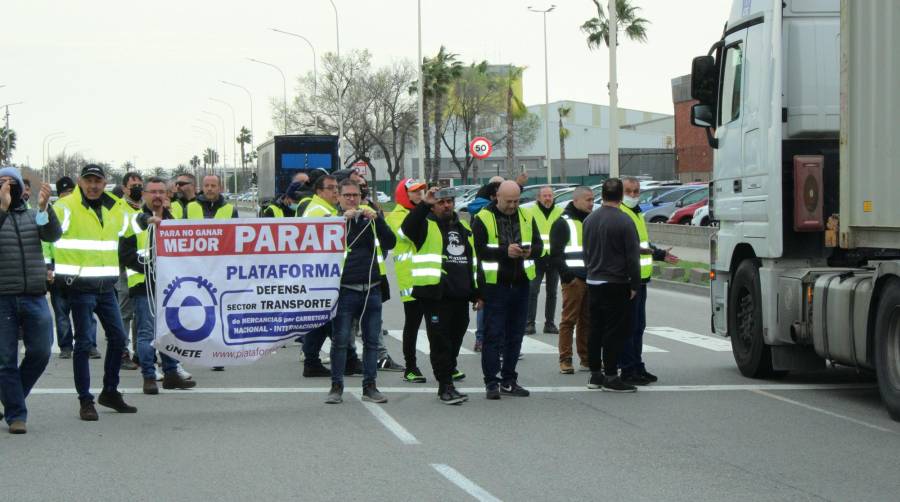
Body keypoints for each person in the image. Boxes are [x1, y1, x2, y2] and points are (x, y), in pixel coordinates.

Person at [53, 164, 138, 420]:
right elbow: (46, 234)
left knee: (118, 339)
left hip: (106, 287)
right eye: (88, 180)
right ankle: (85, 400)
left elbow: (131, 226)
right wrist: (49, 269)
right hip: (79, 287)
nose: (93, 185)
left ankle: (109, 391)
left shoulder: (113, 207)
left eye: (97, 181)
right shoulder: (66, 206)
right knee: (84, 344)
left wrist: (149, 217)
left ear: (104, 183)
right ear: (80, 182)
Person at [402, 186, 481, 404]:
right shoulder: (423, 224)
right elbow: (407, 228)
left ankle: (449, 375)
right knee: (440, 341)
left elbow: (471, 261)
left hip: (460, 294)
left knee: (455, 339)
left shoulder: (463, 226)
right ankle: (445, 385)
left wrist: (476, 292)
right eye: (441, 202)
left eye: (449, 201)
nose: (446, 205)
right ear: (433, 205)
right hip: (435, 295)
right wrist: (424, 203)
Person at [119, 177, 197, 394]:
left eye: (162, 192)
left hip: (171, 285)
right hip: (143, 284)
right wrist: (150, 268)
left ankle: (171, 372)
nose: (157, 196)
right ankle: (149, 376)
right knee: (147, 333)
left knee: (171, 330)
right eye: (152, 192)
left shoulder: (173, 220)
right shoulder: (134, 220)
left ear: (168, 195)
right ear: (144, 195)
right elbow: (124, 254)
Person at [0, 167, 61, 434]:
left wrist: (45, 207)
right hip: (3, 297)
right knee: (6, 360)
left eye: (12, 182)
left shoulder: (31, 214)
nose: (8, 187)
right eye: (2, 182)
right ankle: (16, 415)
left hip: (35, 295)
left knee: (41, 351)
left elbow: (52, 235)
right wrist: (2, 209)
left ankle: (11, 399)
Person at [325, 179, 396, 404]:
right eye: (347, 195)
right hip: (345, 290)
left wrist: (378, 220)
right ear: (339, 197)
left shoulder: (371, 218)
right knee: (340, 340)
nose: (352, 199)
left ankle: (370, 386)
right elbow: (320, 246)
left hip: (371, 288)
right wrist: (339, 222)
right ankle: (336, 387)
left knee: (372, 341)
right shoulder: (331, 221)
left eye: (355, 195)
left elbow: (391, 242)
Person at [472, 180, 542, 399]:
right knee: (493, 336)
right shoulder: (483, 217)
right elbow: (479, 250)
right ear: (497, 197)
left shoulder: (526, 216)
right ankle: (491, 382)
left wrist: (530, 252)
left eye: (517, 201)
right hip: (495, 286)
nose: (513, 206)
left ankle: (509, 380)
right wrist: (505, 251)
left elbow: (540, 246)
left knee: (515, 336)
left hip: (521, 284)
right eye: (509, 201)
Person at [618, 177, 679, 385]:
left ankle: (636, 365)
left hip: (641, 277)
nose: (633, 195)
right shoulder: (621, 213)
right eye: (629, 191)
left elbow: (644, 243)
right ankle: (627, 368)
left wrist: (660, 254)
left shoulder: (637, 213)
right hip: (627, 279)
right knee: (628, 326)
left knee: (638, 326)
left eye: (636, 191)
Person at [300, 175, 363, 377]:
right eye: (331, 188)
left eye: (337, 188)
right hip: (322, 274)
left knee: (323, 320)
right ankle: (348, 360)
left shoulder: (324, 208)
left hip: (326, 273)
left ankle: (313, 362)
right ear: (319, 191)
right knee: (331, 320)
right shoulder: (318, 210)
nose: (336, 192)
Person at [582, 178, 641, 393]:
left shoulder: (590, 219)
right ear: (620, 196)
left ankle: (595, 374)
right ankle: (611, 376)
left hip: (593, 279)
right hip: (616, 282)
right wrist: (634, 284)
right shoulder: (625, 221)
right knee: (614, 331)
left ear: (602, 195)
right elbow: (632, 257)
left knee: (595, 329)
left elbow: (586, 250)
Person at [185, 174, 236, 372]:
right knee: (197, 311)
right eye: (206, 185)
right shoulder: (191, 208)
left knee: (219, 312)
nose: (209, 189)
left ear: (220, 187)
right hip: (196, 268)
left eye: (213, 185)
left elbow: (236, 238)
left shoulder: (230, 209)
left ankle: (217, 354)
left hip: (220, 269)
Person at [386, 178, 429, 383]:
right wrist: (424, 210)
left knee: (438, 326)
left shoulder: (425, 212)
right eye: (414, 191)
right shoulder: (395, 216)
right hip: (411, 282)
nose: (419, 194)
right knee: (412, 325)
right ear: (404, 194)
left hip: (432, 278)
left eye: (421, 190)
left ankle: (449, 365)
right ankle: (410, 367)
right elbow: (408, 233)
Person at [550, 186, 594, 374]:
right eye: (588, 200)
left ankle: (586, 358)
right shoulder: (562, 222)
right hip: (574, 279)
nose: (592, 203)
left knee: (588, 321)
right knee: (569, 320)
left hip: (591, 277)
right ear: (576, 201)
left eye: (593, 200)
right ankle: (565, 359)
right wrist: (568, 276)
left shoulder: (592, 221)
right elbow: (556, 254)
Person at [466, 180, 502, 353]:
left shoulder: (480, 208)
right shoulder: (485, 213)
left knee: (488, 305)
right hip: (486, 265)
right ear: (493, 196)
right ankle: (481, 339)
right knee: (484, 303)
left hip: (495, 265)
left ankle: (484, 340)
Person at [116, 172, 144, 371]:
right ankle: (121, 352)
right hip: (124, 265)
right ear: (125, 188)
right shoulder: (119, 209)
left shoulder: (143, 208)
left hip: (143, 265)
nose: (136, 188)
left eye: (139, 184)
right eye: (133, 185)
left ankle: (140, 353)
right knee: (125, 311)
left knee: (141, 312)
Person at [526, 186, 563, 335]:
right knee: (533, 291)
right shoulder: (530, 212)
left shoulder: (560, 212)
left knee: (552, 292)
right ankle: (529, 323)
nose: (548, 198)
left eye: (550, 196)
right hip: (537, 258)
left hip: (554, 258)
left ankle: (550, 323)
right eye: (545, 196)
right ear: (538, 198)